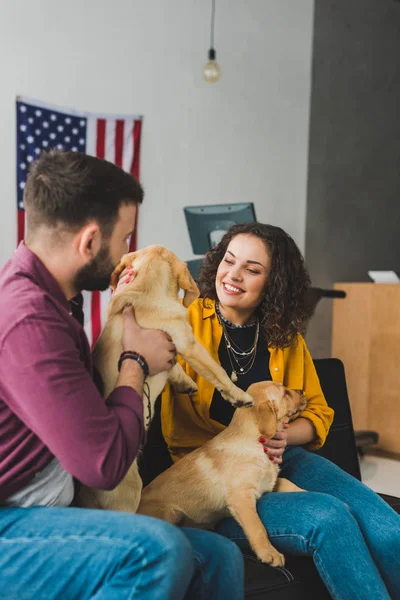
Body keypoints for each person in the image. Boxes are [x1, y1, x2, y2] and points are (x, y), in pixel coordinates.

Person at [0, 150, 245, 600]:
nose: (127, 253)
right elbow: (105, 466)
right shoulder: (29, 318)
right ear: (89, 242)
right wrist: (135, 361)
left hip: (52, 508)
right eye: (125, 238)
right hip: (12, 521)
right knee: (158, 550)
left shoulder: (55, 297)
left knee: (219, 556)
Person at [161, 222, 400, 600]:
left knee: (390, 529)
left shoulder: (283, 334)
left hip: (284, 458)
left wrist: (285, 435)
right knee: (330, 520)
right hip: (219, 482)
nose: (233, 275)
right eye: (229, 260)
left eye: (252, 270)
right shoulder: (181, 325)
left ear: (273, 283)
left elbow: (320, 412)